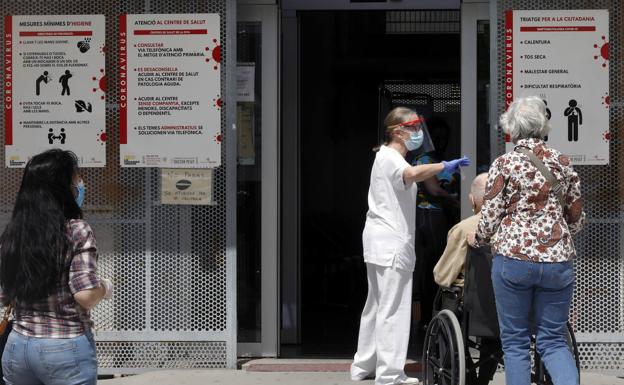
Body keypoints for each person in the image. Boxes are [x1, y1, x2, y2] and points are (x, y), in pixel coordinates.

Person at [467, 96, 585, 385]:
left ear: (512, 128)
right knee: (554, 342)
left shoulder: (504, 164)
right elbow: (577, 218)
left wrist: (478, 238)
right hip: (558, 261)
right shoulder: (563, 161)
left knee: (517, 343)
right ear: (543, 125)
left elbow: (490, 215)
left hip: (513, 260)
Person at [351, 107, 469, 385]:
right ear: (397, 131)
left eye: (419, 127)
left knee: (377, 305)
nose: (418, 133)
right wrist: (443, 166)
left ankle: (363, 365)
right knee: (393, 308)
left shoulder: (385, 157)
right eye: (413, 127)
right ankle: (390, 374)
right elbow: (412, 174)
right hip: (391, 244)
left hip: (380, 242)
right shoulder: (392, 158)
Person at [0, 149, 113, 385]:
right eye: (75, 179)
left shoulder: (13, 233)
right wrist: (104, 286)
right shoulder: (76, 230)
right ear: (62, 187)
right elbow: (85, 295)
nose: (80, 185)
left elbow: (5, 294)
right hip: (65, 346)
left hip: (18, 347)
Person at [433, 173, 500, 385]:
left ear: (472, 200)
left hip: (473, 306)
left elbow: (443, 275)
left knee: (446, 296)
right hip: (507, 304)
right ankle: (485, 374)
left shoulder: (464, 229)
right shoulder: (518, 230)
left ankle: (462, 369)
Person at [412, 117, 460, 327]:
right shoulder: (424, 160)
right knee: (434, 265)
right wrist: (455, 202)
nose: (441, 141)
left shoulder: (440, 158)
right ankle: (428, 317)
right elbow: (433, 190)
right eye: (437, 137)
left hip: (443, 215)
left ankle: (436, 313)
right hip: (430, 215)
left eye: (445, 138)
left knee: (439, 262)